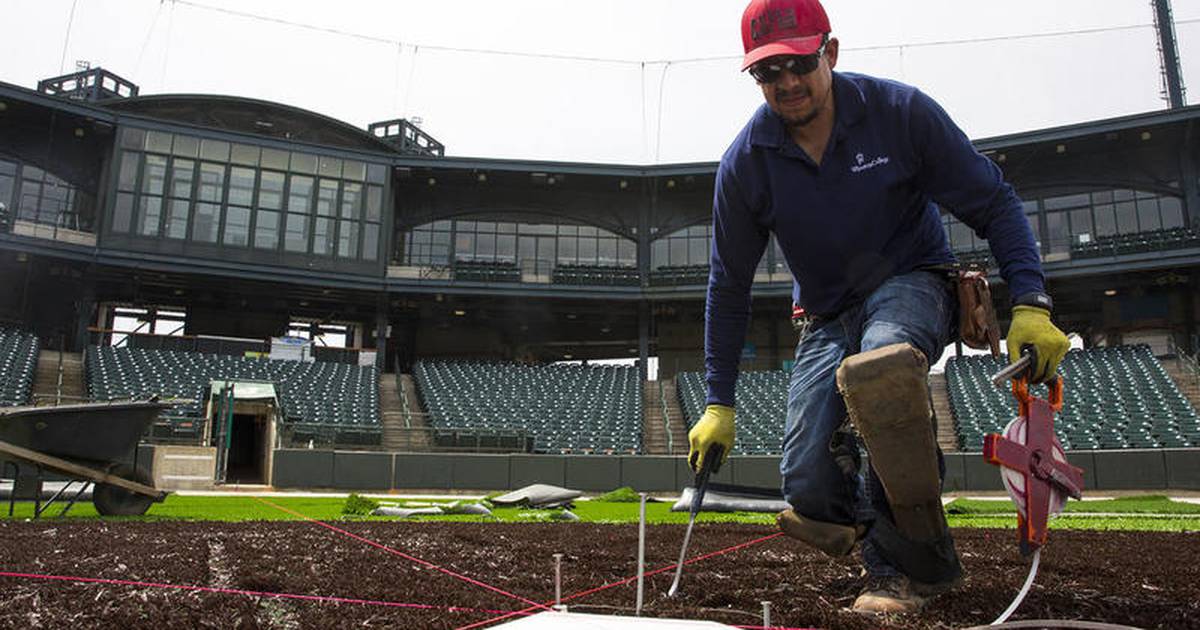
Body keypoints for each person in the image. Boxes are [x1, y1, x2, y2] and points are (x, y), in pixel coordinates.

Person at [686, 0, 1070, 614]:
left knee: (881, 371)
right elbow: (728, 284)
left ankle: (893, 576)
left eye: (799, 64)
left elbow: (994, 201)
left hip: (910, 280)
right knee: (808, 484)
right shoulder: (746, 163)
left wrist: (1031, 302)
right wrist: (718, 400)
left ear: (830, 53)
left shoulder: (900, 114)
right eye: (767, 72)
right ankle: (925, 552)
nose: (786, 82)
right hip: (824, 314)